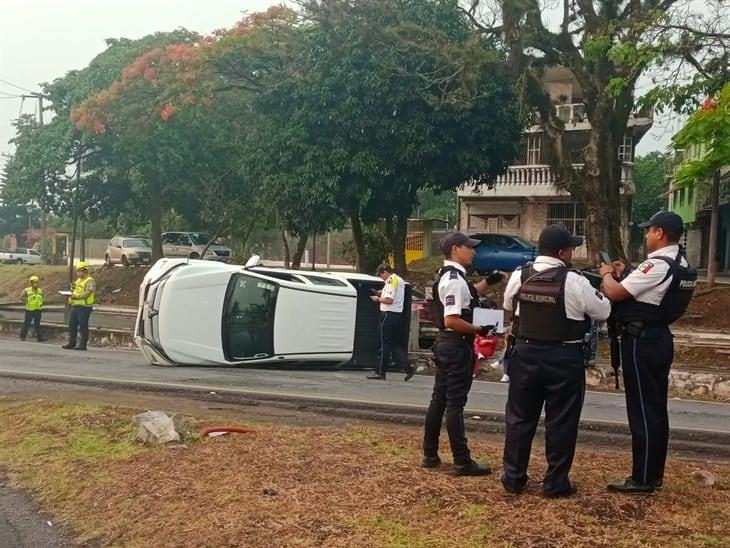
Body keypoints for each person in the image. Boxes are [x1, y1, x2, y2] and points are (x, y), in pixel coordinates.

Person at [501, 225, 611, 497]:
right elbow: (603, 310)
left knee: (519, 418)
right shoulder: (575, 280)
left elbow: (507, 305)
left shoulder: (519, 275)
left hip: (524, 355)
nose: (572, 253)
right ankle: (555, 483)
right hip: (563, 359)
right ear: (563, 252)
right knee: (561, 421)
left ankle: (513, 478)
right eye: (571, 249)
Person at [599, 211, 697, 494]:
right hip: (659, 338)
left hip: (641, 342)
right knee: (655, 410)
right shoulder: (680, 262)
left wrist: (607, 275)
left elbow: (615, 293)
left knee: (641, 410)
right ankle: (653, 474)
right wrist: (627, 273)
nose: (645, 235)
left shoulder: (657, 264)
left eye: (648, 230)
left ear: (660, 233)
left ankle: (642, 479)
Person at [423, 231, 500, 476]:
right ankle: (461, 460)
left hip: (445, 343)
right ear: (456, 249)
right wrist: (479, 329)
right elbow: (453, 319)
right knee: (455, 404)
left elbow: (466, 296)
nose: (474, 251)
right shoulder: (455, 279)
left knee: (439, 400)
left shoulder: (448, 276)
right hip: (457, 344)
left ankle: (430, 453)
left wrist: (488, 282)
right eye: (470, 247)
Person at [367, 263, 416, 381]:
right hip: (397, 315)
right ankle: (408, 367)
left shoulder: (390, 281)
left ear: (384, 271)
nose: (381, 277)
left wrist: (377, 298)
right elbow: (394, 294)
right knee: (394, 344)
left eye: (380, 275)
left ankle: (380, 372)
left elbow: (389, 300)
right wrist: (380, 292)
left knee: (383, 343)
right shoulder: (399, 279)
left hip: (388, 315)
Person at [62, 261, 97, 351]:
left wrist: (75, 296)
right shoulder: (78, 280)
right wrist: (72, 289)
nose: (77, 273)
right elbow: (77, 290)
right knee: (72, 325)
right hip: (75, 306)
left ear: (84, 271)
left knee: (83, 325)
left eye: (78, 271)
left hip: (84, 307)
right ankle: (71, 342)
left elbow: (88, 293)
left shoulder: (90, 281)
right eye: (76, 271)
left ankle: (83, 344)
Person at [19, 275, 46, 342]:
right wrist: (27, 301)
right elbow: (21, 297)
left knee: (37, 324)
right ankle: (22, 337)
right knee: (26, 323)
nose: (36, 284)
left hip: (38, 310)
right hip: (30, 310)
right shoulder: (27, 290)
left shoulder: (41, 290)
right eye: (35, 282)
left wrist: (41, 303)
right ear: (31, 283)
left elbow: (43, 298)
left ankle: (40, 338)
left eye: (37, 282)